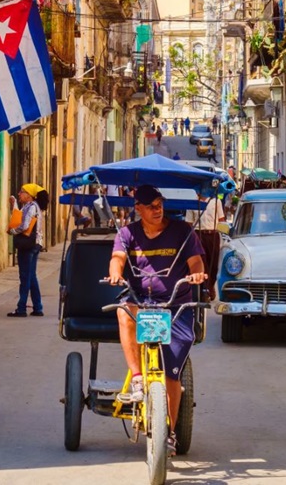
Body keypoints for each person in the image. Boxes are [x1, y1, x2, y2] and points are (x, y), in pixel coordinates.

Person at [107, 185, 207, 454]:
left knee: (173, 374)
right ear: (137, 208)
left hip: (176, 305)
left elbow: (196, 262)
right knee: (122, 311)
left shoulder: (182, 231)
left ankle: (170, 433)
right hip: (142, 302)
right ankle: (138, 377)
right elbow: (117, 258)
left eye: (159, 204)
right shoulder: (127, 233)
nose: (157, 209)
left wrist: (197, 274)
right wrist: (116, 273)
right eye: (150, 205)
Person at [7, 184, 50, 317]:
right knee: (32, 276)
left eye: (22, 192)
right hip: (35, 244)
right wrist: (14, 204)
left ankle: (21, 308)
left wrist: (12, 231)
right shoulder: (32, 207)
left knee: (25, 277)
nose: (19, 194)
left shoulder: (31, 207)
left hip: (28, 245)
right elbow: (19, 216)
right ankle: (37, 307)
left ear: (29, 195)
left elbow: (24, 225)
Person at [190, 193, 226, 299]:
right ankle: (206, 289)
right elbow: (189, 223)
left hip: (213, 235)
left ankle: (210, 285)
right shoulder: (192, 202)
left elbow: (221, 219)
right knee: (202, 262)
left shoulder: (216, 201)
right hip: (198, 234)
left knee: (214, 264)